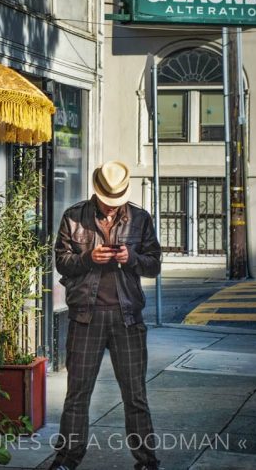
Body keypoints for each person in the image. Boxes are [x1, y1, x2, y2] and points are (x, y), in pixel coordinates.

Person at [50, 160, 162, 470]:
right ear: (97, 193)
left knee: (135, 396)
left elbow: (154, 264)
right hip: (86, 317)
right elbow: (62, 262)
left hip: (128, 319)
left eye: (117, 201)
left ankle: (147, 461)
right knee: (77, 394)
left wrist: (132, 258)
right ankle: (67, 460)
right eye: (107, 201)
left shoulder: (140, 219)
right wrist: (88, 257)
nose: (112, 208)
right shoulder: (74, 216)